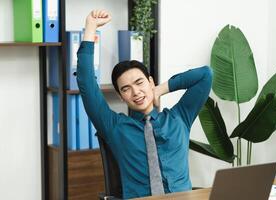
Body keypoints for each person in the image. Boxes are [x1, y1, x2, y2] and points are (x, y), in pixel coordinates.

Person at [77, 9, 213, 199]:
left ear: (150, 81)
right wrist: (90, 28)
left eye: (139, 83)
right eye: (126, 89)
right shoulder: (115, 127)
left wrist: (160, 89)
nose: (135, 92)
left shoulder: (179, 118)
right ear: (121, 97)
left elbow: (205, 75)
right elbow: (86, 83)